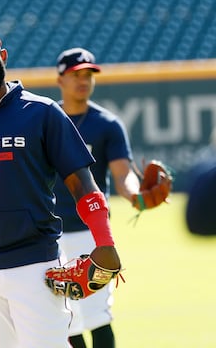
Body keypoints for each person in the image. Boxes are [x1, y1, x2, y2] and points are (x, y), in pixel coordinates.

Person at [0, 22, 121, 348]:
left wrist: (105, 241)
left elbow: (82, 184)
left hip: (35, 265)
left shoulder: (42, 112)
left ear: (2, 55)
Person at [53, 47, 141, 348]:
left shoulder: (107, 124)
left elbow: (122, 175)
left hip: (93, 234)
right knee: (64, 316)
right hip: (50, 233)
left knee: (97, 314)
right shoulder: (45, 121)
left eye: (89, 74)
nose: (84, 80)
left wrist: (137, 195)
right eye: (77, 74)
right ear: (60, 79)